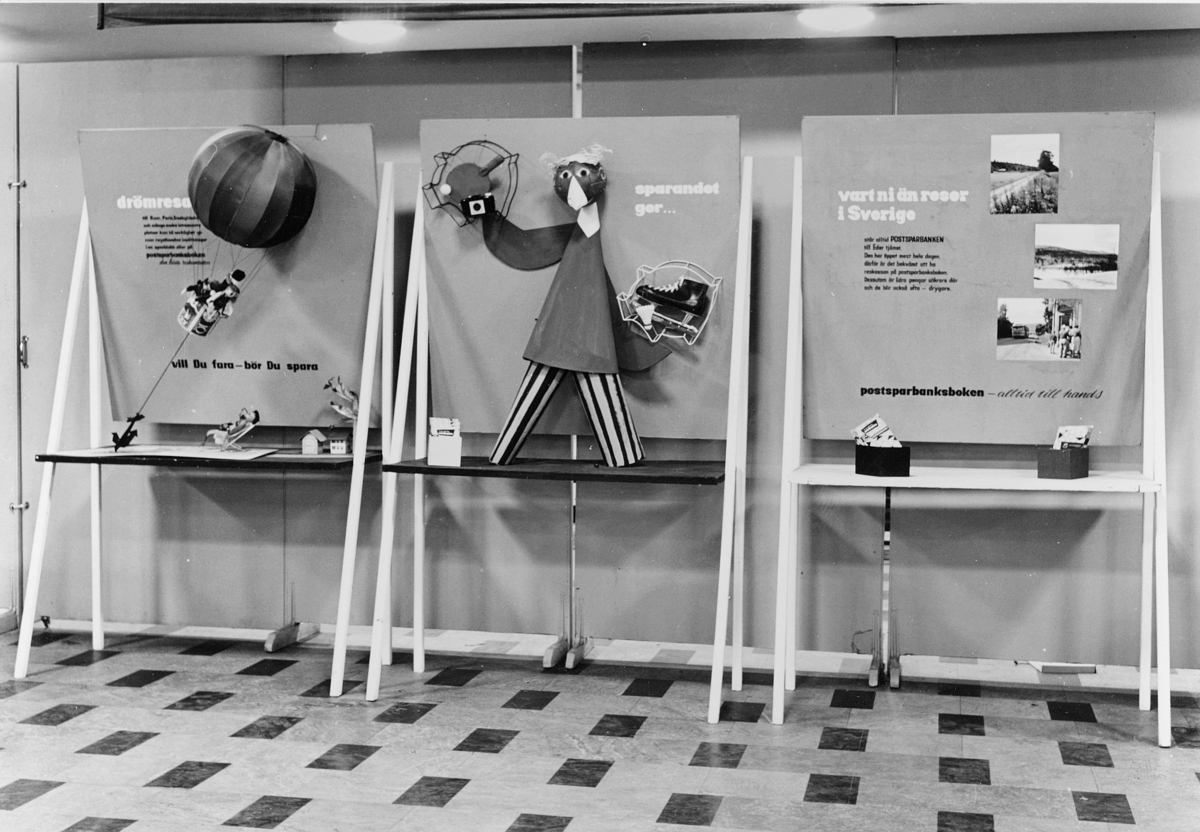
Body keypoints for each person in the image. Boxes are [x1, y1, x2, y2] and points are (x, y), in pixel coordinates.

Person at [443, 145, 669, 467]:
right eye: (566, 177)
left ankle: (618, 456)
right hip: (575, 332)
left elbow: (524, 246)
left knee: (570, 377)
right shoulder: (578, 236)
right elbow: (522, 246)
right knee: (580, 380)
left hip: (578, 333)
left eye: (581, 176)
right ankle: (619, 456)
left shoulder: (582, 236)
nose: (574, 186)